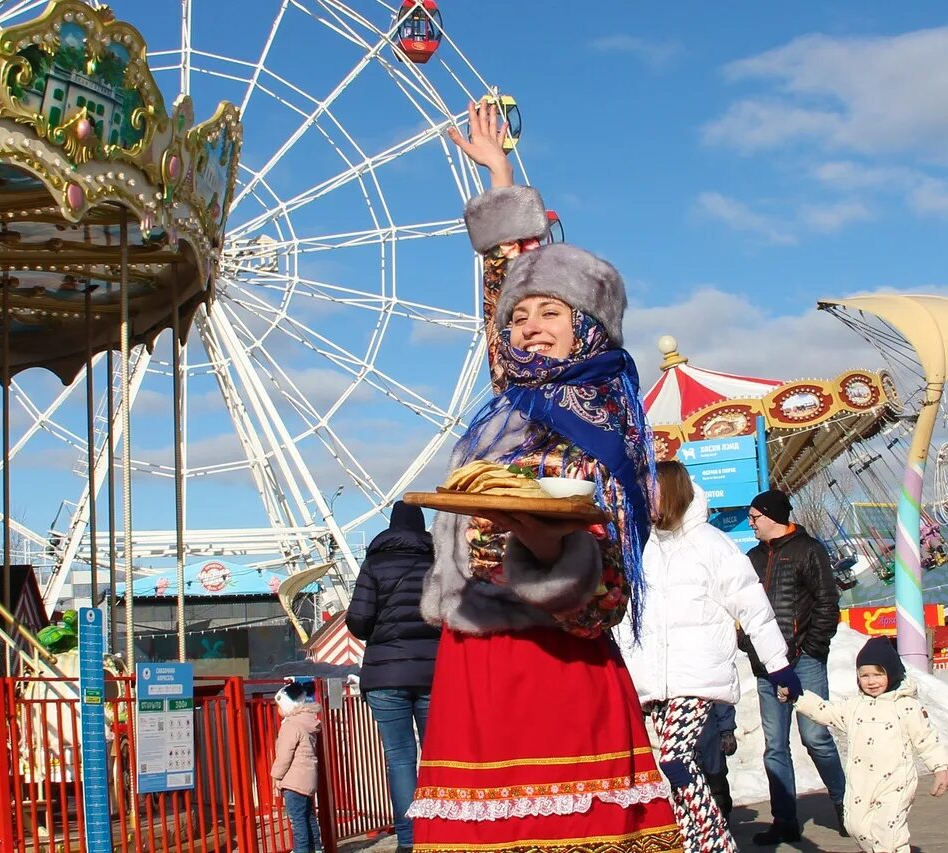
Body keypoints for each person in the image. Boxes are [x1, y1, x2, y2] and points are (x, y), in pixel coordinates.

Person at [408, 100, 681, 852]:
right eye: (519, 317)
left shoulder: (605, 419)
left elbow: (610, 579)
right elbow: (505, 280)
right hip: (476, 656)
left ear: (587, 327)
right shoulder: (513, 397)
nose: (527, 325)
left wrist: (542, 547)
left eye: (549, 313)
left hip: (553, 653)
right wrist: (500, 179)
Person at [615, 460, 797, 850]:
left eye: (653, 491)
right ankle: (693, 842)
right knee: (680, 770)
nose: (646, 499)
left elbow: (752, 606)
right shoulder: (645, 547)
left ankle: (717, 842)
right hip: (658, 678)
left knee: (675, 760)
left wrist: (777, 663)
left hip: (698, 674)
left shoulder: (711, 544)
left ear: (673, 492)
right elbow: (631, 619)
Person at [742, 488, 847, 845]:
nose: (751, 523)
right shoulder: (751, 558)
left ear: (772, 516)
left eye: (755, 517)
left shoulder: (809, 550)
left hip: (805, 662)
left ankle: (847, 805)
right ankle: (784, 819)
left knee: (816, 736)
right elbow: (741, 609)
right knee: (775, 745)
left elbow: (827, 602)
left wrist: (813, 648)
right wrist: (751, 647)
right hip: (766, 668)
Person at [787, 637, 948, 853]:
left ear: (891, 674)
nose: (871, 681)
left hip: (895, 782)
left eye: (878, 674)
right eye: (864, 675)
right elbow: (826, 712)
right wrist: (798, 696)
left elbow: (926, 739)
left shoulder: (905, 706)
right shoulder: (855, 706)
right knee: (855, 826)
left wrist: (941, 768)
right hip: (861, 782)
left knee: (888, 832)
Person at [345, 501, 440, 853]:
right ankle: (441, 829)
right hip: (433, 673)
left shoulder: (374, 564)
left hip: (385, 675)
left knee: (399, 758)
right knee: (436, 754)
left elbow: (358, 621)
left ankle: (410, 840)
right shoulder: (437, 564)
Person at [271, 680, 324, 853]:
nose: (278, 710)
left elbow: (284, 756)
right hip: (306, 780)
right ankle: (316, 848)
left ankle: (301, 850)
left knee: (297, 821)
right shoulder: (307, 722)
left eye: (279, 706)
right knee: (309, 817)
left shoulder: (290, 726)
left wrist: (276, 776)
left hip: (293, 782)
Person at [696, 702, 737, 822]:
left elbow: (721, 695)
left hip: (709, 726)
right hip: (679, 726)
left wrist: (727, 730)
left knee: (715, 775)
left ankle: (722, 817)